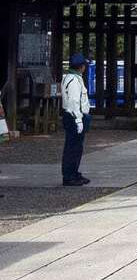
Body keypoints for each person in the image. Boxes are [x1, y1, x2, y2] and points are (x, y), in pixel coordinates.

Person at [61, 53, 91, 186]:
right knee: (73, 147)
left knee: (76, 147)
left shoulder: (72, 78)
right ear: (81, 67)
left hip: (74, 116)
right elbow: (73, 101)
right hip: (74, 116)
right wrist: (78, 119)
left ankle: (74, 172)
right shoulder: (73, 80)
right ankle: (69, 175)